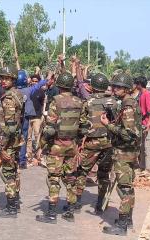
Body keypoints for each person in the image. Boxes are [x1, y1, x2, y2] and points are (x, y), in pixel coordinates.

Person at [36, 72, 82, 224]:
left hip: (57, 146)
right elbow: (83, 126)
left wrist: (40, 145)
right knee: (70, 178)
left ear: (59, 85)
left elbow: (50, 128)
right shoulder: (78, 101)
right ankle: (70, 210)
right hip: (72, 145)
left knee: (54, 178)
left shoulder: (56, 102)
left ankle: (51, 213)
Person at [100, 73, 142, 236]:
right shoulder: (126, 103)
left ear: (126, 88)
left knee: (124, 188)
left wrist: (108, 125)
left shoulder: (128, 106)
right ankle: (127, 220)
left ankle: (122, 225)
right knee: (128, 186)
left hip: (125, 152)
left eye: (118, 87)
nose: (114, 89)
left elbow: (128, 134)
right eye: (114, 86)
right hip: (128, 151)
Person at [75, 72, 117, 215]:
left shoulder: (88, 102)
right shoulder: (114, 102)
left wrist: (80, 139)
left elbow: (82, 123)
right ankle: (100, 203)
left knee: (82, 171)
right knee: (104, 174)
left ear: (92, 86)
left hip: (92, 143)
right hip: (108, 144)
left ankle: (77, 201)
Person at [0, 66, 24, 218]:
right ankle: (15, 201)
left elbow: (10, 127)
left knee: (8, 174)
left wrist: (2, 147)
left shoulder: (9, 98)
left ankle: (11, 207)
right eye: (2, 78)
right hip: (16, 141)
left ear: (13, 79)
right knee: (14, 170)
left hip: (9, 141)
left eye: (7, 78)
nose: (3, 81)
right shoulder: (17, 94)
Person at [134, 76, 150, 171]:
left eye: (135, 84)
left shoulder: (147, 94)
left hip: (147, 124)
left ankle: (148, 169)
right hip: (142, 123)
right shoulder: (141, 94)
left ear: (139, 84)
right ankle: (142, 166)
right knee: (142, 147)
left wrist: (148, 124)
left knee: (148, 148)